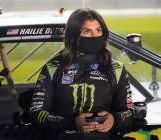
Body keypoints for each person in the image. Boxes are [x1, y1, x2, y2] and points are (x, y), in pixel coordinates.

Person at [30, 8, 134, 140]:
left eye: (98, 30)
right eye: (87, 31)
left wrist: (114, 119)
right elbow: (36, 113)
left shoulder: (116, 68)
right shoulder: (53, 67)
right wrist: (71, 123)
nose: (94, 36)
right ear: (73, 36)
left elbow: (129, 112)